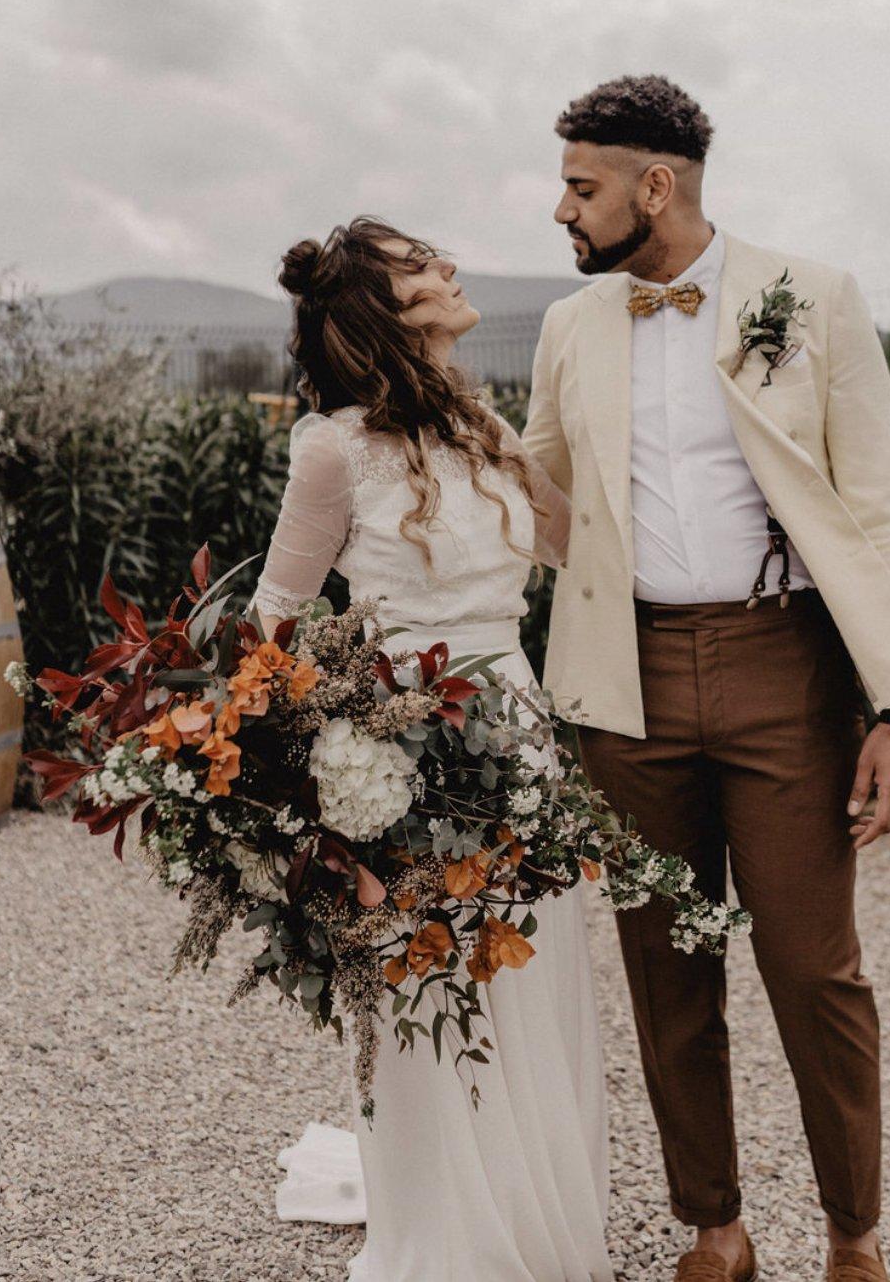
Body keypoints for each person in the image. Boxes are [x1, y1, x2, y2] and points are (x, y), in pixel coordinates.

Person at [521, 75, 890, 1282]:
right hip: (626, 682)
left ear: (656, 187)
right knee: (667, 967)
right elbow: (542, 505)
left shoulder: (810, 298)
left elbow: (878, 511)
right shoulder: (569, 327)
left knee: (816, 971)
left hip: (786, 669)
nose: (562, 209)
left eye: (581, 186)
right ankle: (714, 1226)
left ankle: (853, 1234)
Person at [247, 216, 613, 1282]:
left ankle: (541, 1213)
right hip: (405, 755)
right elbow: (274, 626)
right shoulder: (333, 449)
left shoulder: (481, 427)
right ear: (385, 310)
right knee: (430, 982)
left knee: (531, 976)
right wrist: (321, 780)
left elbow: (575, 538)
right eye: (423, 265)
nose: (451, 267)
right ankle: (454, 1233)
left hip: (520, 734)